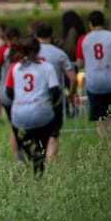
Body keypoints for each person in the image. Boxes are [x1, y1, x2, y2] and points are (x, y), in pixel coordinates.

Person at [4, 37, 61, 175]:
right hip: (42, 113)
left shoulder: (15, 67)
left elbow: (9, 92)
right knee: (44, 138)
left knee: (26, 143)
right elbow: (55, 91)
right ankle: (40, 163)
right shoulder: (46, 67)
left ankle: (27, 158)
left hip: (20, 115)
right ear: (38, 50)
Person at [75, 10, 111, 137]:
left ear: (90, 24)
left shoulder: (84, 39)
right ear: (103, 22)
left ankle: (104, 147)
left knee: (100, 119)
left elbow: (79, 63)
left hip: (93, 83)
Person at [34, 22, 77, 161]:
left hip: (33, 99)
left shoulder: (30, 53)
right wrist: (70, 94)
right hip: (54, 98)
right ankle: (50, 162)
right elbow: (73, 78)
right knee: (53, 134)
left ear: (35, 35)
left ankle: (38, 159)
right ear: (52, 35)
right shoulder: (59, 53)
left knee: (37, 132)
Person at [0, 27, 23, 160]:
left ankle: (18, 158)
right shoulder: (26, 51)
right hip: (26, 93)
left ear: (6, 39)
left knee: (14, 126)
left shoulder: (3, 51)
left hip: (7, 92)